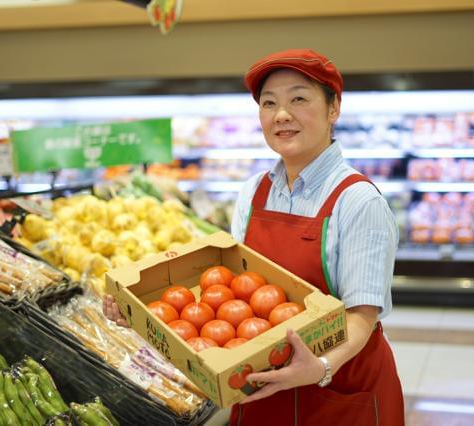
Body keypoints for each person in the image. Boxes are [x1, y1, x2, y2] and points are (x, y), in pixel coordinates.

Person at [104, 48, 404, 425]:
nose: (282, 115)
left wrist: (321, 366)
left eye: (299, 98)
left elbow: (361, 316)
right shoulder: (252, 192)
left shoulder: (358, 201)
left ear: (333, 109)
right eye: (269, 103)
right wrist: (144, 316)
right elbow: (235, 291)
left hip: (338, 388)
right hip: (260, 382)